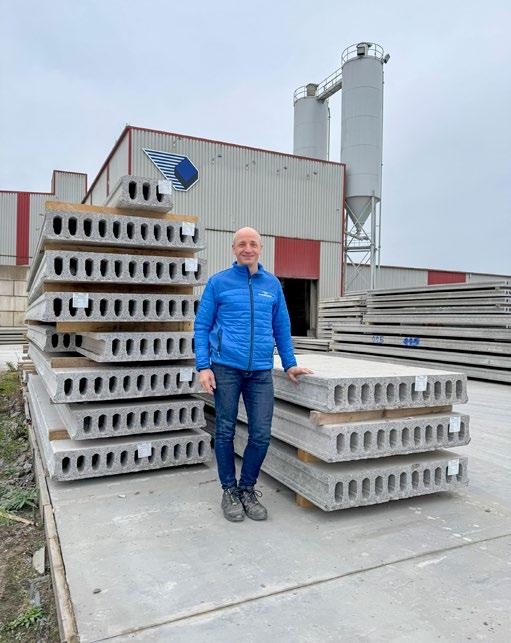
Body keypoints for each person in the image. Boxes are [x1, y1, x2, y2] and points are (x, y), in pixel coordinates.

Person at [194, 227, 312, 522]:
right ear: (233, 249)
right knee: (225, 430)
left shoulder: (271, 285)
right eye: (242, 244)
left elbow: (281, 327)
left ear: (260, 248)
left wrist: (290, 363)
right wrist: (203, 366)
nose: (248, 249)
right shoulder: (218, 282)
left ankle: (247, 488)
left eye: (253, 244)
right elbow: (202, 326)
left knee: (260, 433)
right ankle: (229, 491)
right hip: (226, 367)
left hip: (260, 371)